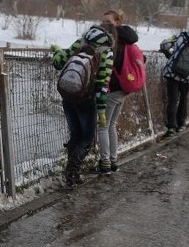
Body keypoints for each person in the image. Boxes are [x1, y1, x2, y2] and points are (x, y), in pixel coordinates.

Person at [51, 23, 115, 188]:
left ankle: (72, 174)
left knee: (75, 135)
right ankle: (71, 173)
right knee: (86, 139)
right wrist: (101, 111)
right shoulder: (106, 52)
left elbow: (58, 63)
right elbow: (102, 84)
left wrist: (58, 50)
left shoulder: (80, 43)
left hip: (68, 96)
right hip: (87, 101)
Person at [98, 10, 139, 174]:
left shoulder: (112, 41)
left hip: (112, 88)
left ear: (117, 22)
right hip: (124, 88)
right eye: (103, 21)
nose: (104, 24)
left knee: (102, 126)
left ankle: (105, 162)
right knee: (111, 125)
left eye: (108, 21)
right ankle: (113, 160)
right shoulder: (127, 40)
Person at [159, 28, 189, 135]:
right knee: (184, 99)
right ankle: (181, 123)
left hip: (172, 74)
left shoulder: (182, 37)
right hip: (187, 76)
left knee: (173, 100)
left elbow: (168, 47)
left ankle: (171, 127)